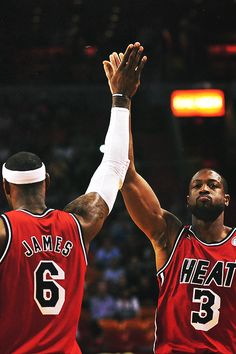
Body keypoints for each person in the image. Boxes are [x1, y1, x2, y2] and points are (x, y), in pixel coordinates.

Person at [0, 42, 147, 354]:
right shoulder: (80, 223)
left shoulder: (4, 232)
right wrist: (121, 99)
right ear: (47, 182)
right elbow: (115, 164)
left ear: (5, 188)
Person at [103, 52, 236, 353]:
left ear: (226, 199)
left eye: (212, 185)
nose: (204, 188)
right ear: (187, 199)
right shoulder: (170, 236)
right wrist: (121, 98)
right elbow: (126, 172)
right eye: (197, 185)